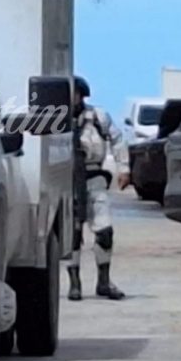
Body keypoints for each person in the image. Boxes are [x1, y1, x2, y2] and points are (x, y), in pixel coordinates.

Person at [68, 76, 129, 301]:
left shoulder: (97, 117)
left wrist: (124, 168)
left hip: (94, 178)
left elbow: (118, 140)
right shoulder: (55, 119)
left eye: (75, 94)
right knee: (72, 235)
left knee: (104, 231)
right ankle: (74, 283)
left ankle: (103, 281)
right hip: (65, 182)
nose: (71, 99)